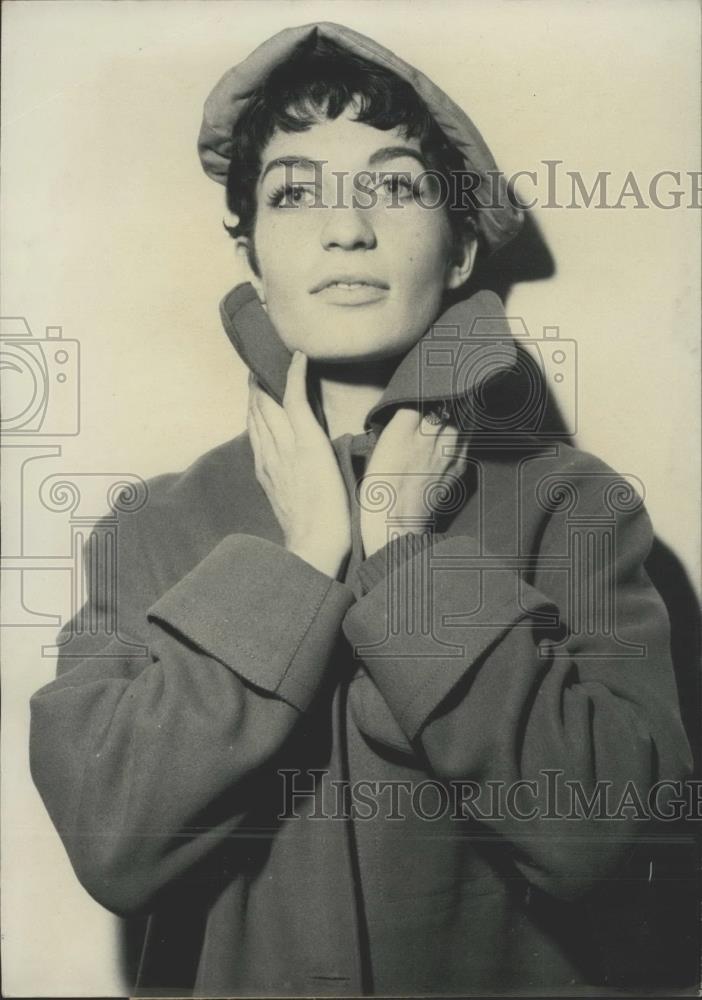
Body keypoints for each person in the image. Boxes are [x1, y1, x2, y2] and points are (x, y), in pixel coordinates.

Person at [28, 21, 692, 998]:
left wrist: (407, 557)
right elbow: (112, 844)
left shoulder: (579, 507)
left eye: (393, 184)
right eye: (295, 192)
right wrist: (301, 559)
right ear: (251, 254)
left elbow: (608, 836)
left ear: (463, 246)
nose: (347, 228)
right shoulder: (151, 525)